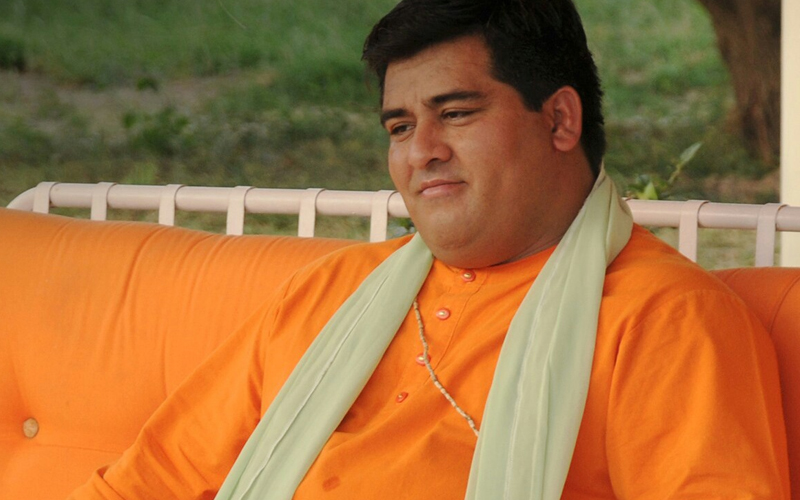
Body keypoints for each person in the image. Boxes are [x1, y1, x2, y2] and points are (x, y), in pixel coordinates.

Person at [69, 0, 790, 498]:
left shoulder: (665, 321)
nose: (422, 152)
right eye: (400, 127)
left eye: (456, 113)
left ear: (560, 120)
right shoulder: (334, 291)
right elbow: (150, 480)